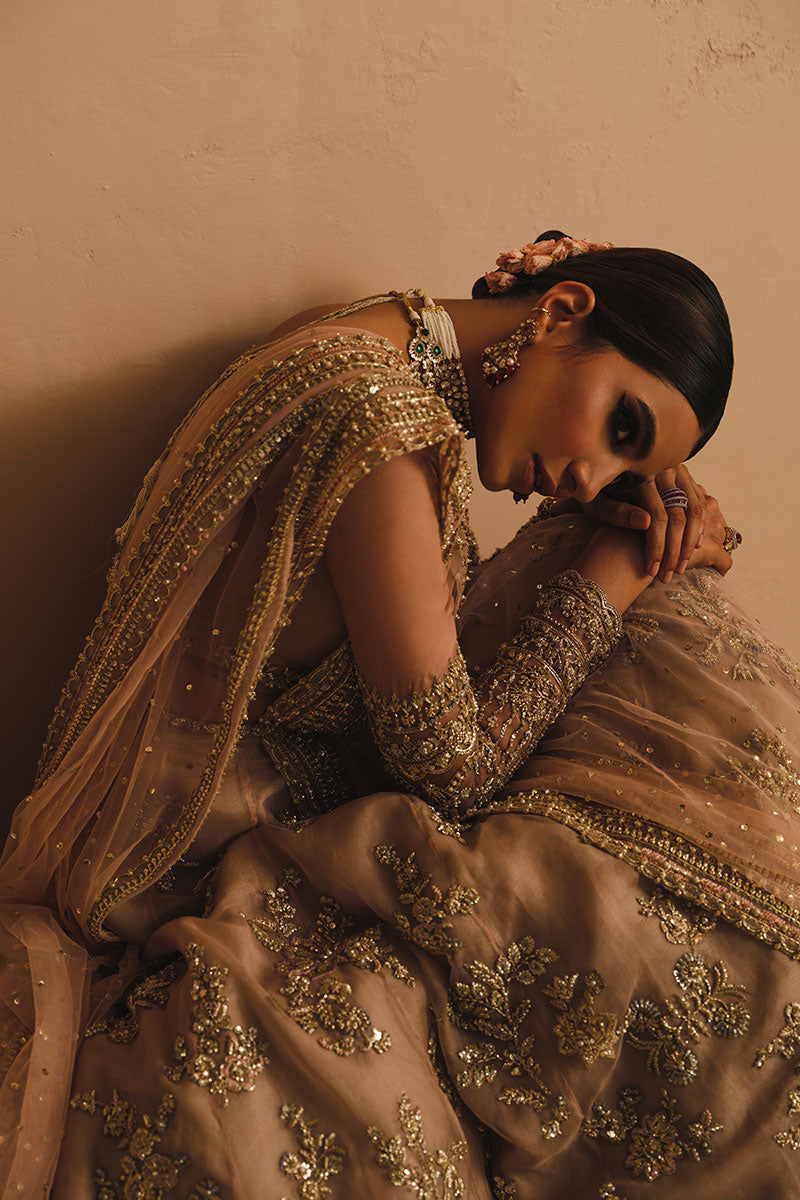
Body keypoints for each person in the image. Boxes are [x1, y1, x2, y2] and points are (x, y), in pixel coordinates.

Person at [1, 232, 798, 1198]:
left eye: (628, 465)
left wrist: (633, 521)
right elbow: (452, 769)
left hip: (267, 823)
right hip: (202, 867)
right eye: (621, 427)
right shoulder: (375, 429)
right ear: (559, 311)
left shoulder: (353, 344)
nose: (592, 474)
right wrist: (615, 568)